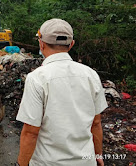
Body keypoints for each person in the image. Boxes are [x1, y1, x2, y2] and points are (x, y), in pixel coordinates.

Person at [16, 18, 108, 166]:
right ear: (71, 44)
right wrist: (98, 155)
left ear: (41, 43)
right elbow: (96, 123)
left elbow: (31, 132)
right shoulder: (91, 75)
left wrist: (21, 164)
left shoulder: (37, 78)